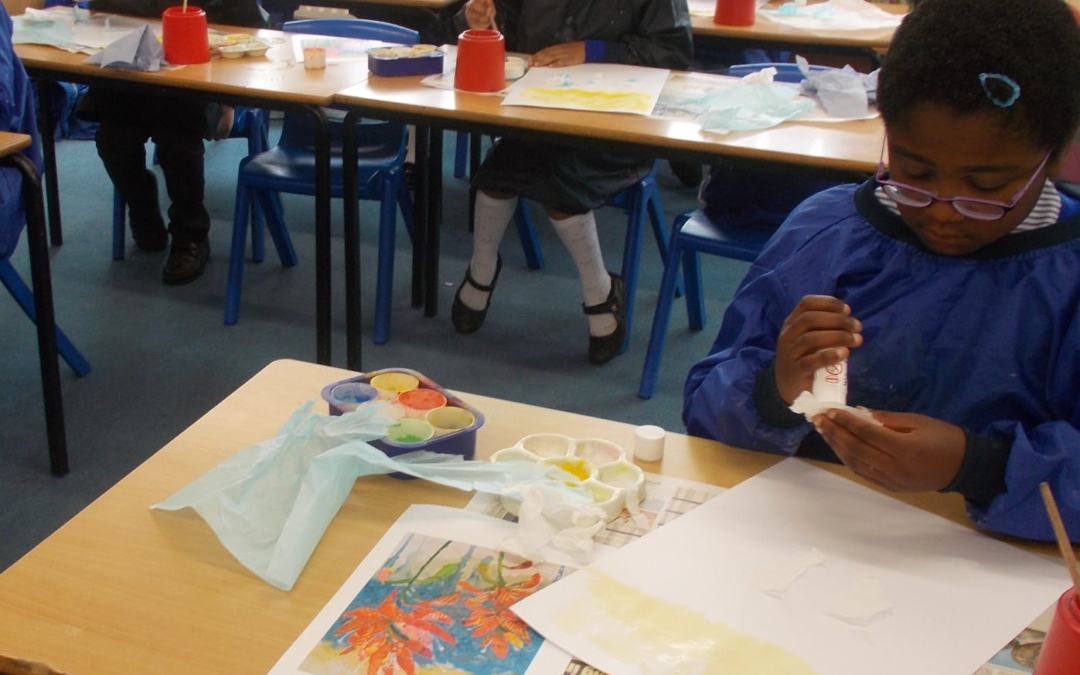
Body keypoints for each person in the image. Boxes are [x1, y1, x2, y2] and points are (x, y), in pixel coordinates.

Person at [683, 0, 1080, 542]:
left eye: (987, 187)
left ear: (1054, 157)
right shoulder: (826, 235)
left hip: (987, 558)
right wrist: (774, 390)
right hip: (806, 537)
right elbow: (706, 409)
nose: (944, 210)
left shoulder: (1065, 278)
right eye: (915, 172)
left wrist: (978, 466)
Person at [448, 0, 692, 364]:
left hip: (618, 124)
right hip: (541, 110)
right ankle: (482, 268)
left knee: (561, 186)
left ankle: (600, 291)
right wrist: (481, 22)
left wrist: (593, 51)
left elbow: (674, 52)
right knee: (497, 175)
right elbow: (509, 27)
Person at [77, 0, 266, 285]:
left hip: (198, 86)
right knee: (113, 140)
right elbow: (101, 13)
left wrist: (229, 99)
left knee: (177, 143)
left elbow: (250, 30)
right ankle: (142, 207)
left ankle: (190, 235)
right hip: (134, 82)